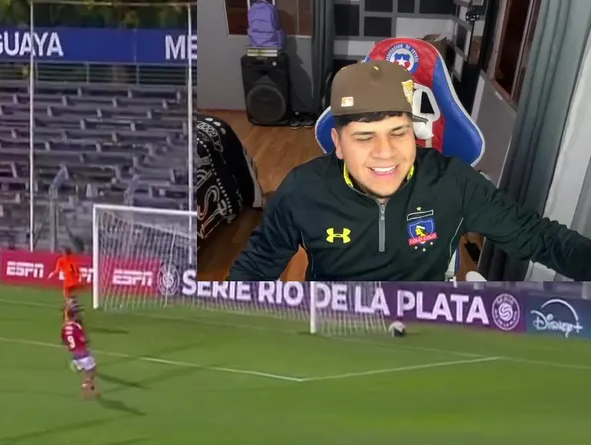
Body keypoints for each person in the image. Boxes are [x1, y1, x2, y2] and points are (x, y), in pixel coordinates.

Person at [229, 60, 591, 281]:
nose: (385, 152)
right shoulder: (302, 191)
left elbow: (539, 237)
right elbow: (255, 270)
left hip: (424, 332)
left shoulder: (453, 182)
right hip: (333, 331)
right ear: (338, 143)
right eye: (365, 137)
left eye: (398, 132)